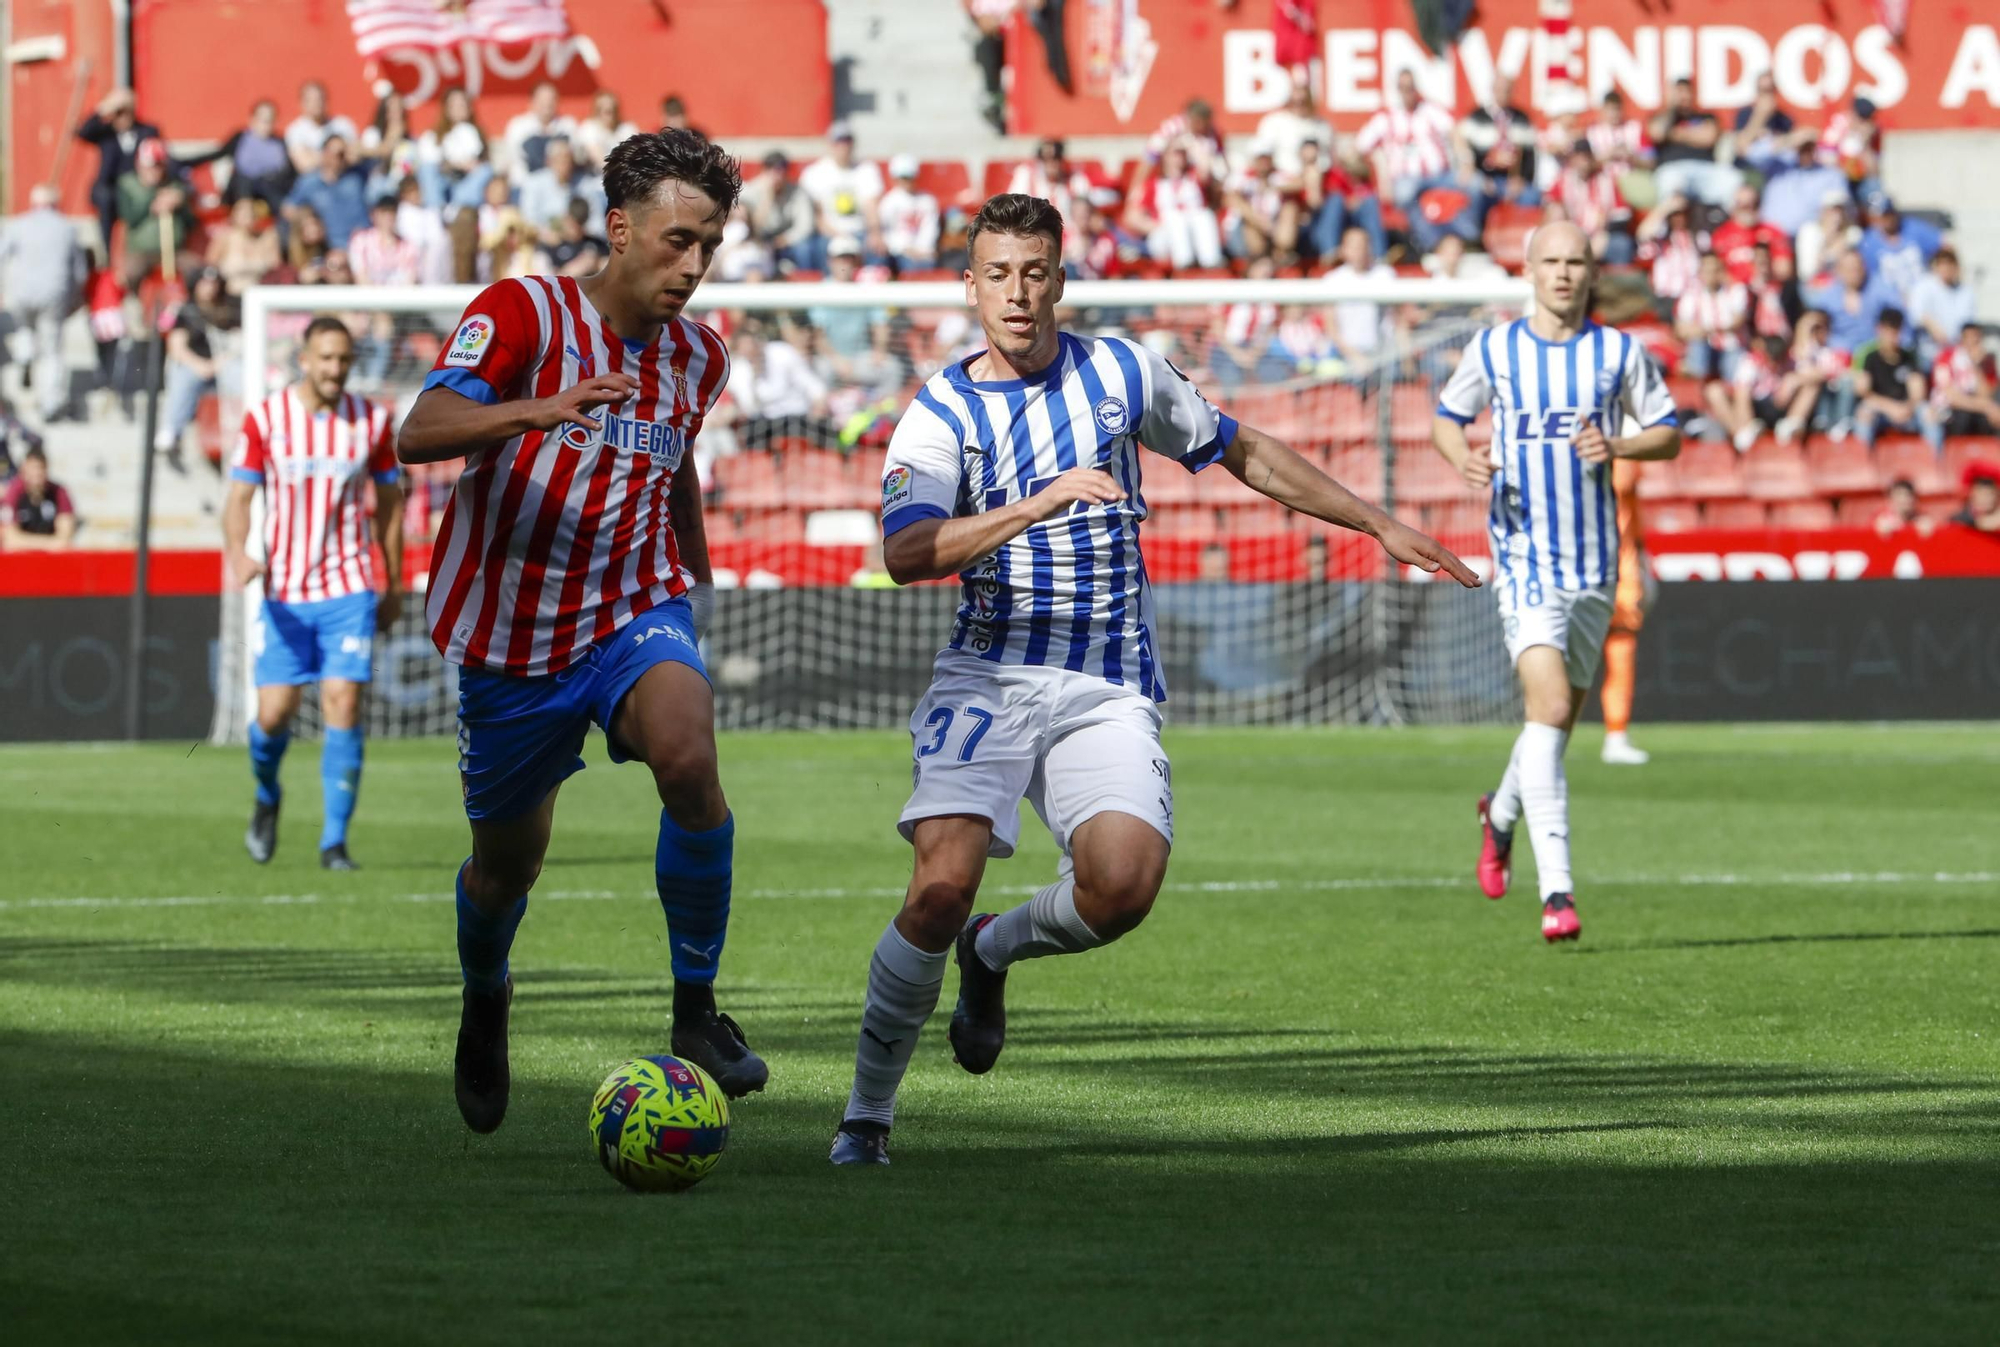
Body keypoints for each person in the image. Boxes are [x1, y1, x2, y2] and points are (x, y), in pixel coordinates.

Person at [827, 192, 1475, 1165]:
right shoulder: (937, 413)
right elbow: (909, 549)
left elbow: (1240, 447)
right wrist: (1035, 502)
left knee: (1122, 887)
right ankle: (865, 1120)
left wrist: (1374, 520)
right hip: (990, 674)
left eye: (1034, 272)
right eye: (997, 274)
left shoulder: (1118, 371)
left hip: (1104, 678)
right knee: (938, 886)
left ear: (1059, 279)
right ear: (969, 287)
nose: (1016, 293)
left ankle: (992, 952)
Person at [393, 129, 766, 1133]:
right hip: (510, 641)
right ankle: (486, 993)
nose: (692, 266)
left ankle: (694, 1013)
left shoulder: (700, 355)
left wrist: (691, 561)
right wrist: (540, 409)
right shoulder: (520, 312)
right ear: (620, 229)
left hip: (633, 607)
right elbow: (417, 430)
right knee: (505, 868)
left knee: (688, 754)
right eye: (678, 241)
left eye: (710, 247)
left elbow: (670, 453)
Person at [1433, 221, 1682, 943]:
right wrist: (1463, 459)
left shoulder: (1617, 351)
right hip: (1523, 559)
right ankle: (1558, 893)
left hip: (1594, 565)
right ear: (1530, 270)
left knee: (1554, 725)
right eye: (1552, 261)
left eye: (1576, 261)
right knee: (1545, 707)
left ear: (1591, 273)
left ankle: (1499, 814)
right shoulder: (1497, 347)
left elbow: (1668, 429)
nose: (1564, 272)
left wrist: (1621, 442)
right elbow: (1447, 420)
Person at [221, 316, 403, 870]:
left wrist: (391, 578)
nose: (335, 369)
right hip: (284, 588)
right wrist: (238, 552)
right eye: (325, 358)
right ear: (304, 359)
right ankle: (267, 793)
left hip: (348, 584)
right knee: (274, 714)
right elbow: (238, 502)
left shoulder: (371, 421)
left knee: (342, 702)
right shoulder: (266, 420)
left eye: (343, 359)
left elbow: (390, 507)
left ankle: (334, 842)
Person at [0, 186, 87, 422]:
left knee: (24, 328)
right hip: (54, 294)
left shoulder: (17, 225)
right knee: (51, 350)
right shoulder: (67, 229)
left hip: (20, 293)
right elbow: (80, 272)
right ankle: (50, 403)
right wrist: (76, 298)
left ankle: (25, 354)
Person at [155, 268, 242, 468]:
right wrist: (202, 366)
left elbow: (240, 343)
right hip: (194, 365)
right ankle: (171, 430)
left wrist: (217, 363)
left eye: (214, 283)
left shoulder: (231, 309)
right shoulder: (185, 310)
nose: (210, 288)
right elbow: (177, 348)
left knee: (238, 373)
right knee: (182, 376)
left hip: (224, 364)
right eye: (205, 283)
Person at [1599, 457, 1650, 765]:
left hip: (1621, 567)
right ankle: (1546, 729)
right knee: (1560, 651)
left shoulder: (1624, 455)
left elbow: (1632, 510)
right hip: (1575, 565)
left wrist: (1642, 557)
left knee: (1621, 646)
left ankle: (1616, 734)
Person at [1354, 70, 1455, 215]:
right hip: (1405, 180)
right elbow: (1360, 145)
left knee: (1472, 185)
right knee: (1404, 195)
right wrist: (1380, 164)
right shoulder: (1386, 117)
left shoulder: (1430, 110)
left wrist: (1465, 160)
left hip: (1438, 176)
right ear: (1398, 90)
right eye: (1403, 88)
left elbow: (1454, 130)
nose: (1408, 92)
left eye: (1411, 87)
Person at [76, 87, 163, 251]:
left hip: (138, 186)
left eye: (125, 112)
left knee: (145, 199)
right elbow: (83, 132)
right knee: (105, 198)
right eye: (118, 113)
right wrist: (104, 107)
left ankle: (143, 250)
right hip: (111, 187)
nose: (122, 117)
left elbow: (161, 157)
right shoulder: (105, 133)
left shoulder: (147, 131)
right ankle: (106, 252)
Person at [1124, 143, 1222, 270]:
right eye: (1176, 153)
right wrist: (1160, 226)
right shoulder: (1153, 185)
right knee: (1176, 218)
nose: (1180, 158)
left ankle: (1211, 263)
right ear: (1165, 156)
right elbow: (1132, 217)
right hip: (1165, 235)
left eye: (1183, 153)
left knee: (1203, 215)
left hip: (1193, 231)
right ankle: (1184, 265)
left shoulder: (1195, 180)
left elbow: (1207, 173)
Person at [799, 123, 885, 262]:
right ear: (830, 144)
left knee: (877, 251)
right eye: (839, 141)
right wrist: (838, 235)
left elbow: (871, 207)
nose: (844, 146)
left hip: (860, 232)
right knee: (815, 249)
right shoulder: (815, 173)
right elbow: (817, 216)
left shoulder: (866, 169)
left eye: (847, 141)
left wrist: (874, 233)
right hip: (829, 234)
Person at [1851, 308, 1934, 448]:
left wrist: (1906, 407)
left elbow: (1918, 393)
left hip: (1907, 410)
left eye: (1896, 331)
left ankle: (1934, 462)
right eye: (1888, 330)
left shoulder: (1910, 356)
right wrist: (1890, 408)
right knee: (1864, 413)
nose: (1892, 336)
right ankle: (1864, 461)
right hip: (1880, 410)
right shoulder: (1867, 355)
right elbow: (1863, 391)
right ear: (1879, 329)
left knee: (1929, 413)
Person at [1649, 78, 1738, 206]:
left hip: (1706, 169)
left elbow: (1709, 137)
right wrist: (1672, 108)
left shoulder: (1706, 117)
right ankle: (1673, 225)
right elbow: (1657, 133)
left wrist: (1673, 133)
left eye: (1687, 92)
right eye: (1679, 92)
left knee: (1732, 180)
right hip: (1673, 168)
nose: (1683, 96)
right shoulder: (1661, 118)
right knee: (1671, 185)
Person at [283, 134, 373, 248]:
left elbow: (381, 158)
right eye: (338, 153)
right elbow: (288, 209)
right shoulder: (310, 182)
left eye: (344, 153)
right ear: (325, 153)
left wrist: (359, 151)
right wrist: (309, 222)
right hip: (331, 248)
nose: (341, 158)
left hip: (364, 243)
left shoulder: (357, 176)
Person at [1675, 251, 1749, 386]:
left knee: (1737, 366)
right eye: (1707, 271)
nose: (1712, 276)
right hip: (1704, 346)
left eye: (1716, 270)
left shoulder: (1735, 290)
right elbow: (1682, 329)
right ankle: (1698, 387)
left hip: (1730, 346)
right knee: (1697, 345)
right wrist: (1714, 330)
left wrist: (1705, 329)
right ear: (1700, 273)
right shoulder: (1691, 295)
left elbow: (1737, 321)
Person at [740, 150, 821, 274]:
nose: (777, 176)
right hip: (762, 240)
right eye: (772, 170)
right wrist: (768, 197)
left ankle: (806, 281)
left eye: (780, 170)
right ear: (764, 172)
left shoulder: (798, 193)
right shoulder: (752, 191)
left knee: (805, 248)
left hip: (789, 241)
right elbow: (754, 227)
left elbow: (805, 226)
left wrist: (786, 239)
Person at [1856, 195, 1941, 308]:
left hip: (1922, 294)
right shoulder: (1868, 242)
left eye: (1889, 214)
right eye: (1883, 216)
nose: (1887, 219)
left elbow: (1943, 245)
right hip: (1889, 301)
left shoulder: (1913, 227)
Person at [519, 138, 606, 245]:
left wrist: (581, 232)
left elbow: (597, 223)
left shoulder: (585, 185)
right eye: (559, 159)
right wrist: (550, 233)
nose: (564, 164)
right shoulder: (533, 183)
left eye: (567, 159)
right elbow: (528, 220)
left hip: (580, 244)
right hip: (546, 244)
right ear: (549, 161)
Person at [1803, 250, 1890, 357]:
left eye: (1857, 269)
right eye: (1850, 270)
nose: (1854, 274)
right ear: (1839, 271)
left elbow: (1898, 319)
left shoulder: (1879, 289)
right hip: (1840, 354)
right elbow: (1812, 324)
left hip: (1876, 352)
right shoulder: (1827, 298)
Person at [1222, 145, 1298, 264]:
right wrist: (1260, 221)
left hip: (1272, 230)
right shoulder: (1243, 176)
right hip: (1243, 233)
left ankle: (1281, 249)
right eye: (1260, 159)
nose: (1264, 163)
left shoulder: (1278, 176)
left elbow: (1300, 184)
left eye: (1266, 159)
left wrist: (1273, 187)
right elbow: (1230, 198)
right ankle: (1263, 256)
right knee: (1249, 221)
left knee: (1290, 208)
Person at [1905, 248, 1975, 368]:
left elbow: (1967, 324)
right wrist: (1931, 325)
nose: (1946, 268)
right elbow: (1915, 315)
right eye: (1942, 264)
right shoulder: (1924, 286)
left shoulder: (1965, 292)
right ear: (1936, 266)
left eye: (1950, 264)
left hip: (1955, 352)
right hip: (1927, 353)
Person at [1929, 322, 2000, 439]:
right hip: (1947, 410)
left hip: (1973, 407)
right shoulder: (1946, 356)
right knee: (1964, 416)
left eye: (1976, 339)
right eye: (1969, 338)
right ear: (1962, 339)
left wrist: (1976, 366)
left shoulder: (1985, 361)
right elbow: (1951, 397)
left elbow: (1986, 395)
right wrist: (1986, 407)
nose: (1972, 343)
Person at [1712, 183, 1792, 284]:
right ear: (1734, 206)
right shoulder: (1721, 235)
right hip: (1735, 292)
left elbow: (1784, 270)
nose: (1749, 209)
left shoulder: (1773, 232)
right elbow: (1717, 272)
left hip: (1768, 290)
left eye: (1754, 204)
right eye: (1744, 205)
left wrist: (1764, 273)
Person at [499, 81, 575, 184]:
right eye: (543, 99)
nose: (547, 103)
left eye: (551, 99)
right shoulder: (518, 126)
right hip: (524, 185)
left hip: (561, 186)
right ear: (532, 101)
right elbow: (510, 159)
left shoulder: (567, 125)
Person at [1254, 80, 1333, 178]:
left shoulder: (1322, 125)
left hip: (1317, 177)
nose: (1299, 105)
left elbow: (1329, 157)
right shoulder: (1274, 122)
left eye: (1303, 101)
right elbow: (1261, 155)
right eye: (1295, 102)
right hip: (1280, 178)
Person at [1, 448, 77, 551]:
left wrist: (25, 541)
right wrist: (50, 543)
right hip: (21, 558)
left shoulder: (59, 492)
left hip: (51, 559)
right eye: (33, 468)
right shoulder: (14, 492)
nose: (37, 474)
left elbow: (65, 537)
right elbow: (10, 539)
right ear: (24, 470)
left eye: (40, 469)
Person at [878, 155, 941, 273]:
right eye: (903, 177)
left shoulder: (927, 200)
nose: (906, 181)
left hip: (923, 253)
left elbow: (930, 229)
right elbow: (887, 233)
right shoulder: (889, 202)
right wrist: (905, 249)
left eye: (909, 177)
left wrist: (924, 250)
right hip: (900, 254)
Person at [285, 80, 359, 176]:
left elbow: (355, 157)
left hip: (345, 176)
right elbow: (305, 165)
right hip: (314, 179)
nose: (316, 103)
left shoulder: (343, 124)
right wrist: (337, 153)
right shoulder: (295, 130)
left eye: (319, 99)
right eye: (311, 100)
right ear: (302, 103)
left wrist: (315, 155)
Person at [573, 90, 638, 172]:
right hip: (595, 177)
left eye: (613, 110)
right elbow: (600, 160)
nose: (611, 116)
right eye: (607, 112)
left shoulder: (627, 128)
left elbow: (635, 154)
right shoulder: (588, 128)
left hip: (624, 175)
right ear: (597, 111)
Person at [1951, 464, 2000, 532]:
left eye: (1990, 494)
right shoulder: (1957, 520)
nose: (1986, 499)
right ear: (1971, 494)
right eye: (1981, 494)